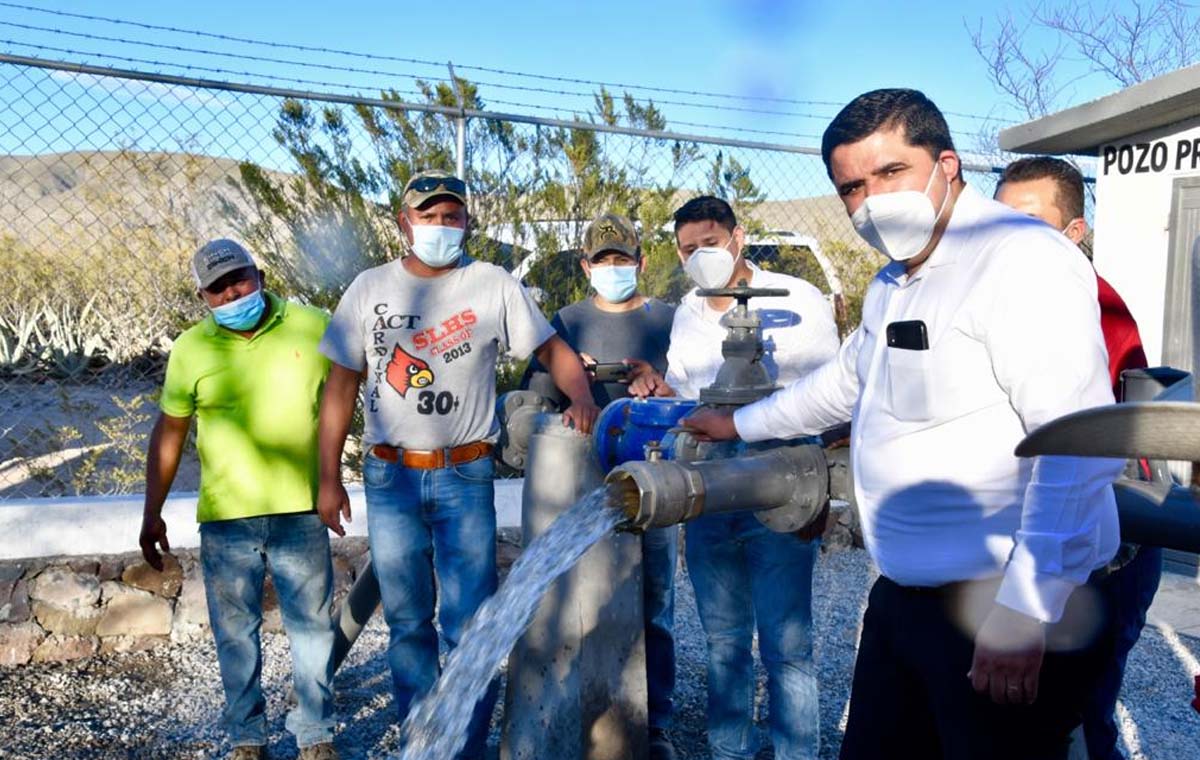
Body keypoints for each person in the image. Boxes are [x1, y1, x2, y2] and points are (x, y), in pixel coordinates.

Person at [684, 89, 1124, 760]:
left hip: (994, 605)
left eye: (891, 174)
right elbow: (845, 383)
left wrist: (1027, 605)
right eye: (851, 188)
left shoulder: (1020, 260)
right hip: (906, 602)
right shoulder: (895, 281)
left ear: (947, 165)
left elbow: (1078, 439)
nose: (870, 201)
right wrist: (738, 424)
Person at [316, 169, 598, 759]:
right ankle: (421, 741)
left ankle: (463, 748)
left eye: (452, 216)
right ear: (404, 222)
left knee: (471, 628)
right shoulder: (368, 289)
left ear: (467, 221)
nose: (441, 227)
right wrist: (327, 479)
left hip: (466, 475)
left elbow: (550, 349)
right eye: (428, 216)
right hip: (390, 477)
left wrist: (581, 397)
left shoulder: (491, 284)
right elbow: (340, 386)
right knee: (408, 623)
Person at [631, 196, 841, 760]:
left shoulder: (798, 300)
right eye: (688, 248)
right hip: (707, 491)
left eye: (711, 242)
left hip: (781, 481)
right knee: (724, 644)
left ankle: (797, 752)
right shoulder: (687, 313)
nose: (701, 255)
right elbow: (682, 392)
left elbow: (829, 396)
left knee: (787, 645)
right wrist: (660, 387)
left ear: (738, 238)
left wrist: (817, 484)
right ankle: (731, 751)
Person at [138, 240, 339, 760]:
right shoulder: (191, 349)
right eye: (218, 288)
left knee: (313, 629)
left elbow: (345, 398)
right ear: (203, 295)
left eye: (239, 279)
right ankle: (248, 738)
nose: (232, 293)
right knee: (234, 634)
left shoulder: (314, 326)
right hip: (227, 519)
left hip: (301, 509)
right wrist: (150, 512)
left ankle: (315, 734)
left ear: (261, 274)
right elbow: (171, 431)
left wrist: (332, 481)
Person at [996, 155, 1160, 760]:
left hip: (1098, 549)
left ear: (1074, 233)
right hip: (1039, 544)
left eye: (1030, 223)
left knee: (1077, 718)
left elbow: (1078, 447)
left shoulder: (1088, 302)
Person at [524, 212, 679, 758]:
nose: (614, 268)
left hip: (657, 481)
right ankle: (580, 705)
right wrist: (573, 376)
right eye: (603, 260)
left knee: (656, 599)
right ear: (586, 265)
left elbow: (692, 398)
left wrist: (659, 385)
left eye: (623, 259)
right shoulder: (564, 322)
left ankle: (654, 720)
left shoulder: (668, 320)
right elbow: (538, 398)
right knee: (581, 599)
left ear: (640, 261)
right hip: (583, 483)